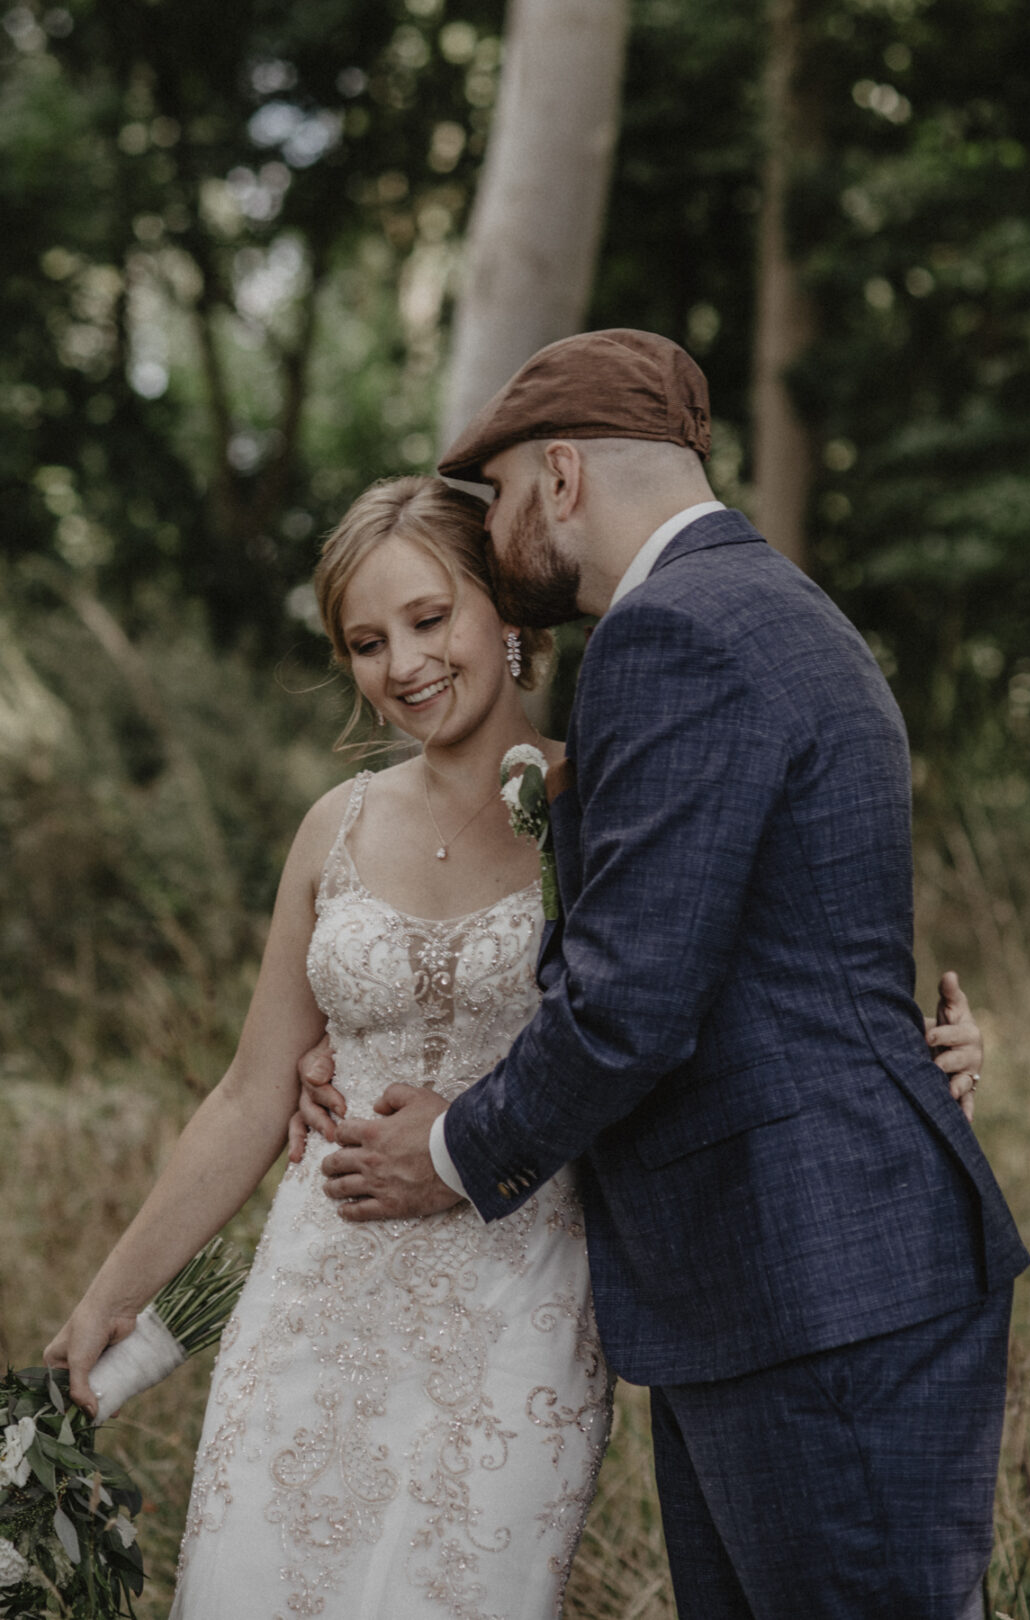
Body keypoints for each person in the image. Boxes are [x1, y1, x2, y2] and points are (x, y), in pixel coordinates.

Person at [306, 330, 1030, 1619]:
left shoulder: (669, 635)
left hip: (812, 1283)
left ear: (564, 476)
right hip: (808, 1276)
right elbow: (785, 951)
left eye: (506, 496)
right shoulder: (780, 607)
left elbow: (632, 1004)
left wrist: (455, 1149)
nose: (502, 533)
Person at [45, 477, 613, 1619]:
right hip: (314, 1298)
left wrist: (921, 1048)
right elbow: (253, 1092)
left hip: (520, 1311)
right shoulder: (334, 827)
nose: (401, 664)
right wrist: (111, 1294)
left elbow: (687, 1015)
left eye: (427, 617)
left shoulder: (603, 801)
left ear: (506, 612)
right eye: (365, 641)